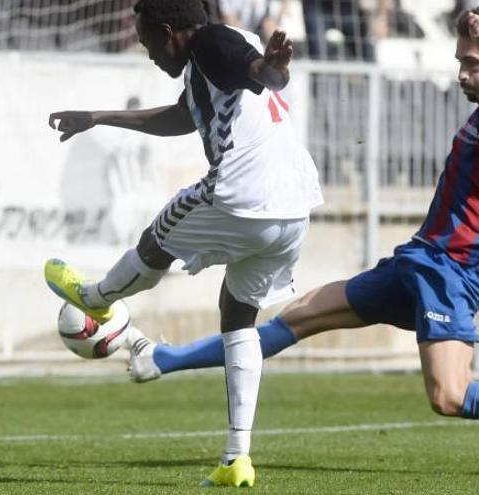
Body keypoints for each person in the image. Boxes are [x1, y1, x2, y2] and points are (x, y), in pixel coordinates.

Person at [129, 6, 479, 472]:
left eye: (472, 63)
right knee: (296, 316)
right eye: (460, 62)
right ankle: (163, 359)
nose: (461, 74)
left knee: (450, 396)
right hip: (418, 261)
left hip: (454, 270)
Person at [46, 0, 322, 486]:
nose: (146, 50)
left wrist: (275, 69)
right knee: (238, 314)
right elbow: (180, 117)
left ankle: (95, 301)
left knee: (156, 241)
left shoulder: (213, 42)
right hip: (294, 206)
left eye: (146, 39)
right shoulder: (206, 66)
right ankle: (238, 456)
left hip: (244, 194)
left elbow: (260, 73)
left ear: (169, 30)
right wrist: (97, 117)